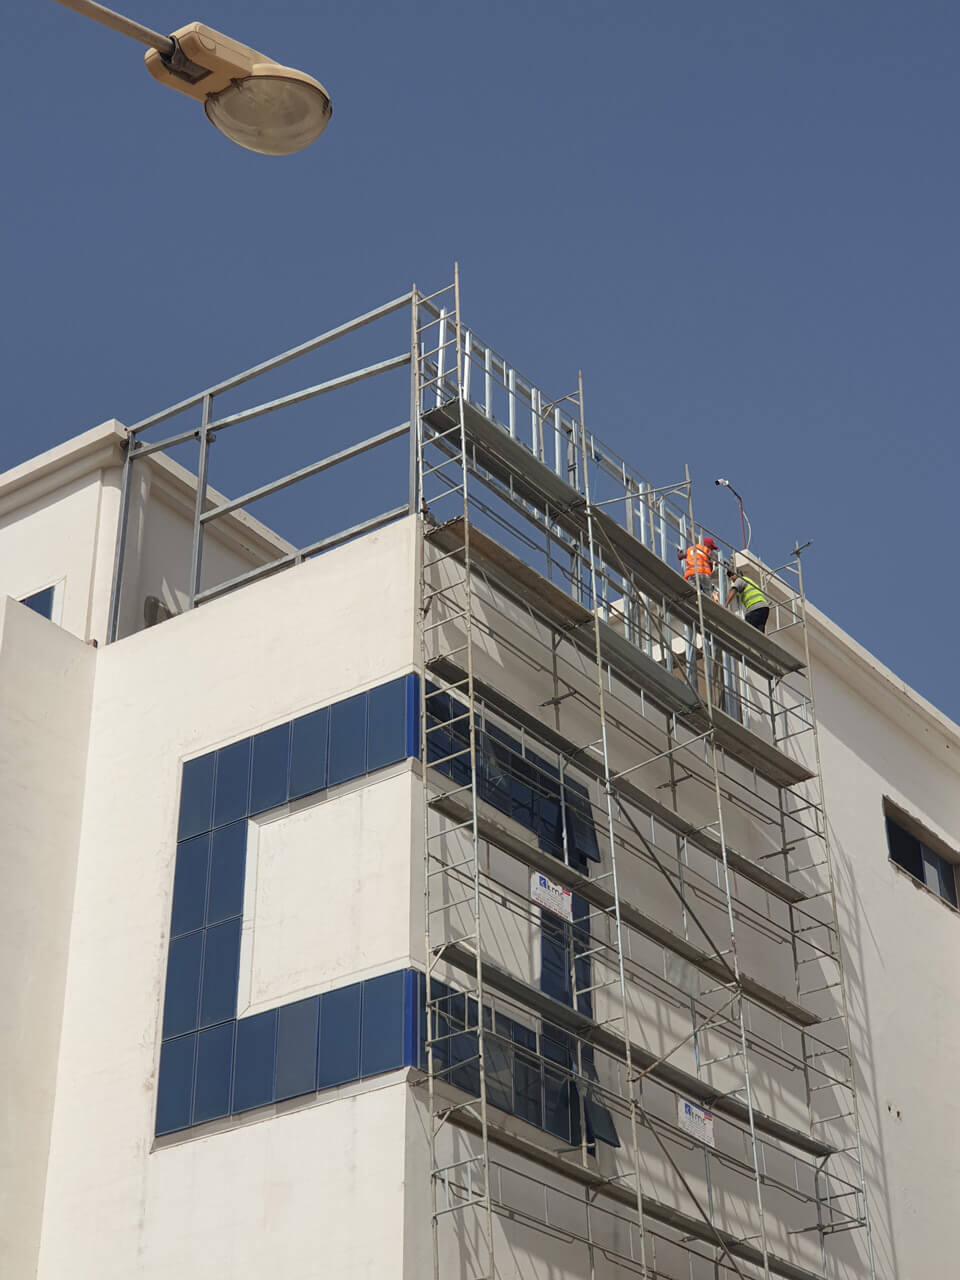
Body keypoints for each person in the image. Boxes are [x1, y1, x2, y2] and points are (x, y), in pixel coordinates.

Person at [725, 569, 770, 633]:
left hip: (755, 608)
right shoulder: (749, 581)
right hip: (764, 608)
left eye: (732, 574)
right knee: (759, 632)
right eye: (729, 576)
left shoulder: (740, 579)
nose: (731, 577)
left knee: (747, 631)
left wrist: (726, 605)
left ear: (739, 574)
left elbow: (733, 590)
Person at [677, 536, 719, 600]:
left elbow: (681, 556)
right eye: (711, 547)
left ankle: (692, 600)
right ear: (707, 544)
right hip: (704, 574)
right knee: (708, 592)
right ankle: (709, 602)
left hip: (692, 573)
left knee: (692, 590)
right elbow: (710, 564)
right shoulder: (706, 550)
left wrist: (679, 553)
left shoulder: (691, 549)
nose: (712, 549)